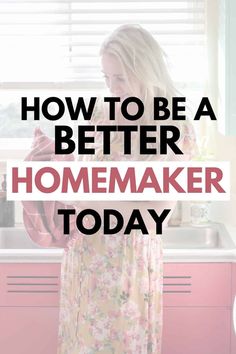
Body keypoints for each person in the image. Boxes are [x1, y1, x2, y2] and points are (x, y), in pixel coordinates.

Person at [55, 24, 195, 354]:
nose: (112, 88)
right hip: (83, 260)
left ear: (145, 71)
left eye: (120, 78)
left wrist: (88, 201)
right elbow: (82, 179)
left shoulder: (171, 125)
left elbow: (156, 212)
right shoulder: (99, 116)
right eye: (106, 78)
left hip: (127, 267)